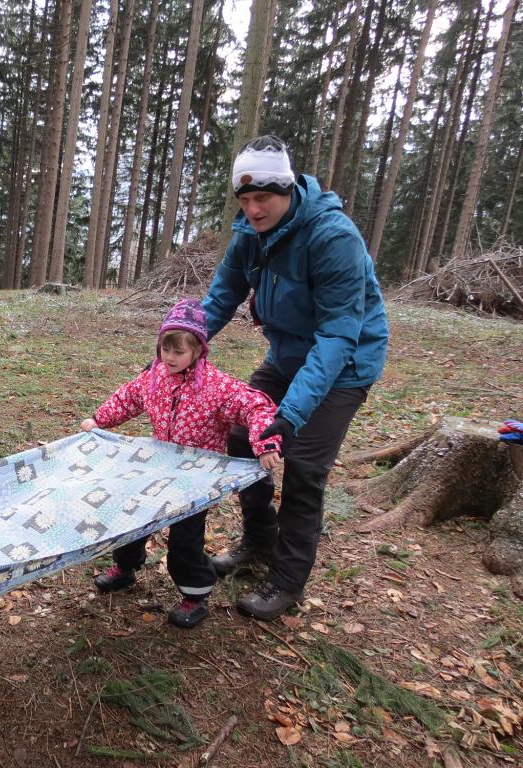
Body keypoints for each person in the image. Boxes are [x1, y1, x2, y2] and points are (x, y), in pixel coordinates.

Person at [202, 134, 389, 620]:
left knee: (303, 466)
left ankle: (287, 580)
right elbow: (220, 299)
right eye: (244, 200)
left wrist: (292, 414)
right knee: (243, 435)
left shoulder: (333, 237)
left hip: (343, 364)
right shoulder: (248, 234)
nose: (253, 209)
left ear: (288, 190)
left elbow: (338, 335)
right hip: (287, 355)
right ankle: (258, 543)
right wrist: (176, 351)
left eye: (262, 198)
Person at [81, 299, 282, 629]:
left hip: (197, 480)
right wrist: (98, 419)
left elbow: (257, 407)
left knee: (184, 540)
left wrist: (265, 443)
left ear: (199, 350)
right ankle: (126, 566)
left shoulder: (217, 387)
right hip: (159, 467)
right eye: (165, 349)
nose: (169, 358)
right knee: (132, 515)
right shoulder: (154, 378)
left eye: (179, 352)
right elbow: (127, 399)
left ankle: (196, 593)